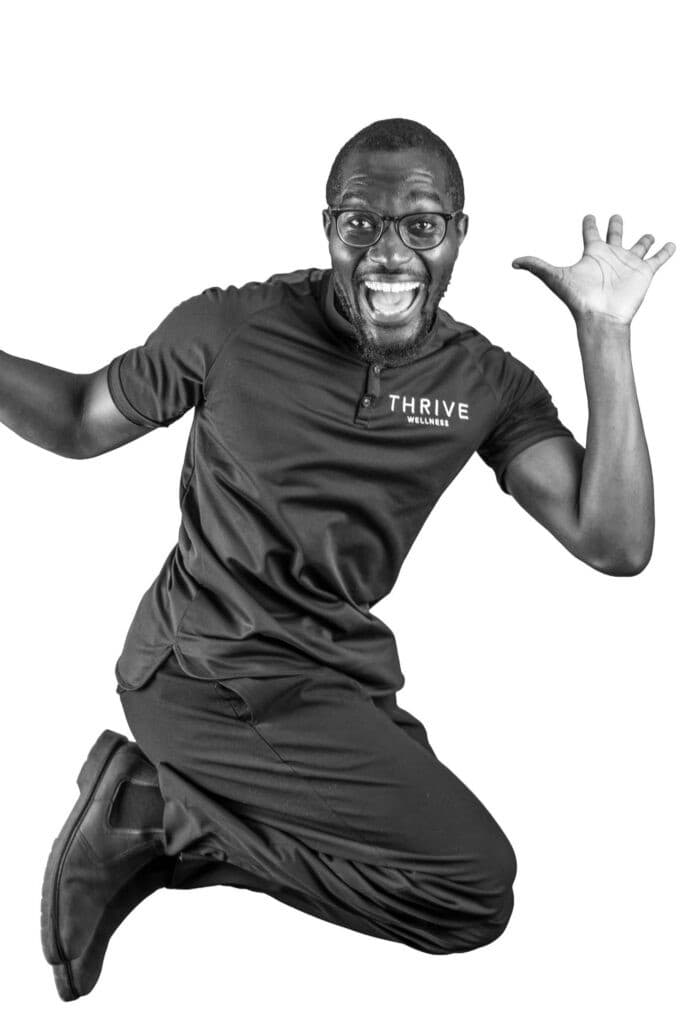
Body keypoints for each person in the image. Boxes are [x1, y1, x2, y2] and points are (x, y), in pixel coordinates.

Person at [1, 118, 674, 1001]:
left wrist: (604, 332)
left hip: (331, 676)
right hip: (205, 668)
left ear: (458, 236)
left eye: (420, 226)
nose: (387, 254)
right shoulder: (234, 326)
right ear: (328, 228)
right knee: (467, 889)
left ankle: (159, 815)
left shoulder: (486, 384)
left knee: (458, 900)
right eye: (361, 224)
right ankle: (153, 813)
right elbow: (84, 417)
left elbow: (614, 543)